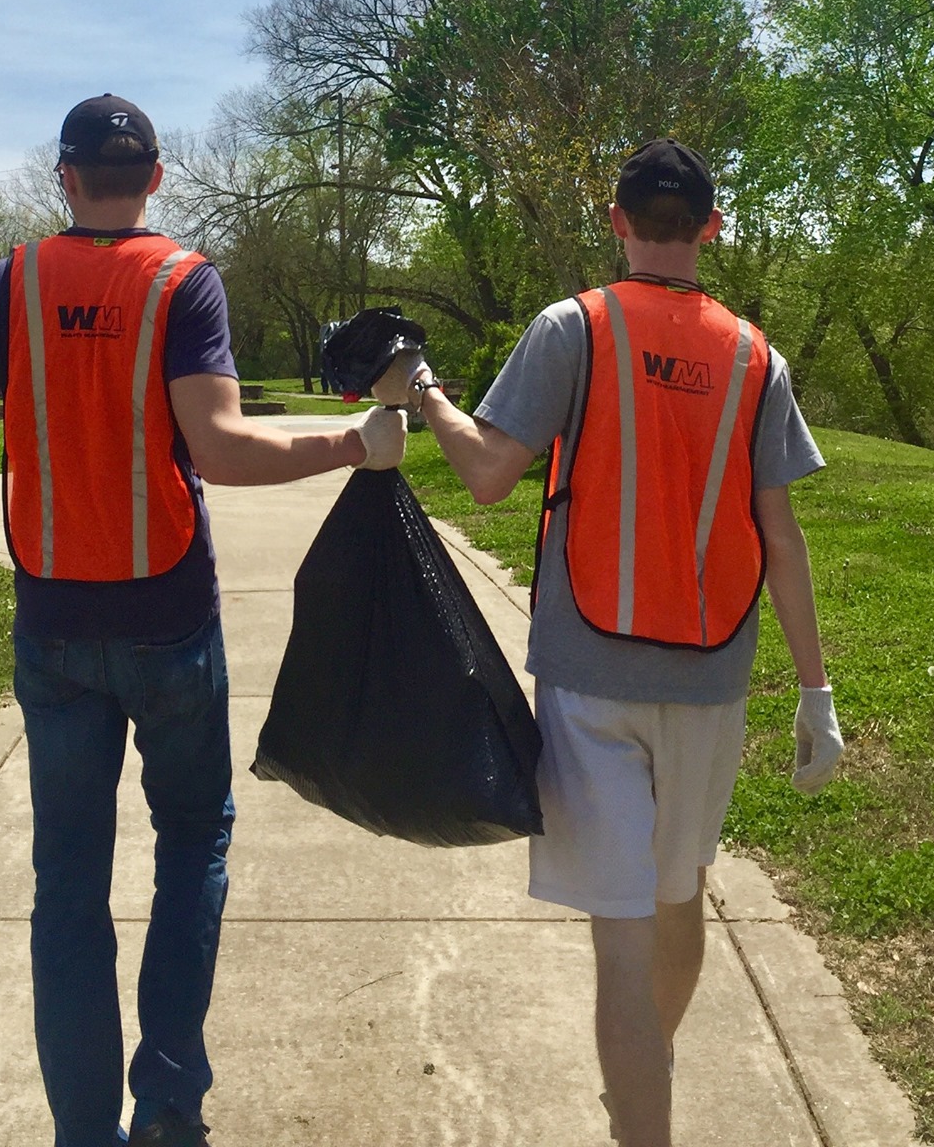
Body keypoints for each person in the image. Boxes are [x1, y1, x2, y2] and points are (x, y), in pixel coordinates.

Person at [0, 94, 406, 1147]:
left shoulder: (14, 280)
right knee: (192, 840)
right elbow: (223, 449)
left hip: (54, 626)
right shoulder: (183, 281)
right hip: (171, 619)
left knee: (68, 884)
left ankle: (83, 1130)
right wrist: (353, 444)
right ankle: (169, 1102)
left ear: (65, 177)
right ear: (157, 175)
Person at [372, 138, 844, 1147]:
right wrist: (817, 690)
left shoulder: (572, 327)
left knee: (622, 946)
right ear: (711, 229)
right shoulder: (759, 356)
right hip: (713, 679)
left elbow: (491, 472)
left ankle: (639, 1102)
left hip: (590, 677)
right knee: (681, 898)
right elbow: (782, 532)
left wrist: (424, 393)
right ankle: (643, 1082)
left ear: (619, 221)